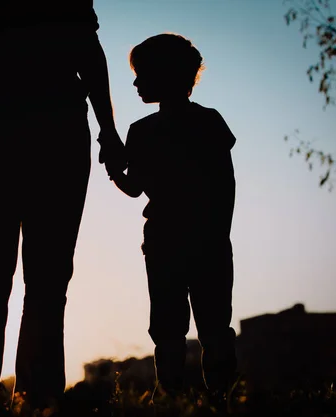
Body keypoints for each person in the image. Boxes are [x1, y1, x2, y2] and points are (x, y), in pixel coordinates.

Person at [0, 1, 125, 416]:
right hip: (37, 121)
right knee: (29, 278)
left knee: (2, 275)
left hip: (7, 120)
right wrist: (107, 130)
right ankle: (31, 398)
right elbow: (87, 48)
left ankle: (3, 397)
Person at [107, 33, 238, 400]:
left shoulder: (144, 131)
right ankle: (217, 398)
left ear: (165, 75)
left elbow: (134, 189)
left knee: (171, 327)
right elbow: (225, 185)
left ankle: (174, 398)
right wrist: (217, 235)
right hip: (200, 240)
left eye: (142, 74)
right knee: (210, 325)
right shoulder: (206, 122)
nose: (135, 83)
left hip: (169, 240)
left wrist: (117, 171)